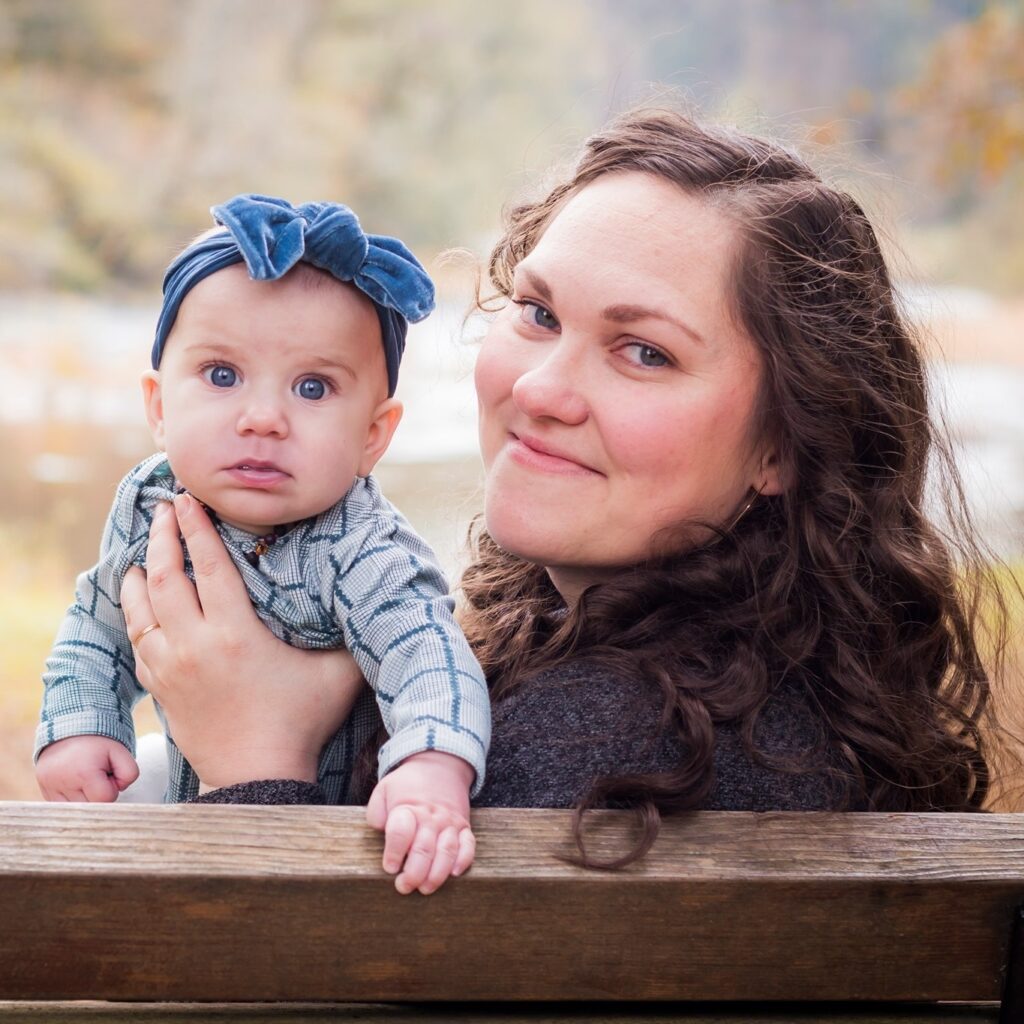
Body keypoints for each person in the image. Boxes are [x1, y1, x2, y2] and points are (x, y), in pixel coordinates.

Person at [120, 107, 1008, 896]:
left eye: (644, 352)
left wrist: (253, 764)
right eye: (538, 313)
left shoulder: (603, 748)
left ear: (783, 441)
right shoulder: (762, 684)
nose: (542, 389)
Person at [35, 195, 491, 882]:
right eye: (222, 376)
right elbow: (97, 625)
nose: (262, 418)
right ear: (159, 408)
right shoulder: (146, 502)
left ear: (374, 435)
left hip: (336, 852)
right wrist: (81, 724)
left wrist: (431, 764)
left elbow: (427, 657)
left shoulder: (364, 550)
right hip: (203, 808)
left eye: (313, 387)